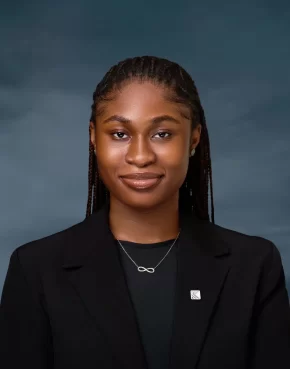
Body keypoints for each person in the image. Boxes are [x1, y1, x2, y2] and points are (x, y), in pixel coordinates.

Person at [0, 56, 290, 369]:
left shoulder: (254, 266)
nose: (140, 156)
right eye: (120, 134)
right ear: (93, 138)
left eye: (162, 134)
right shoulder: (36, 270)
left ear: (193, 139)